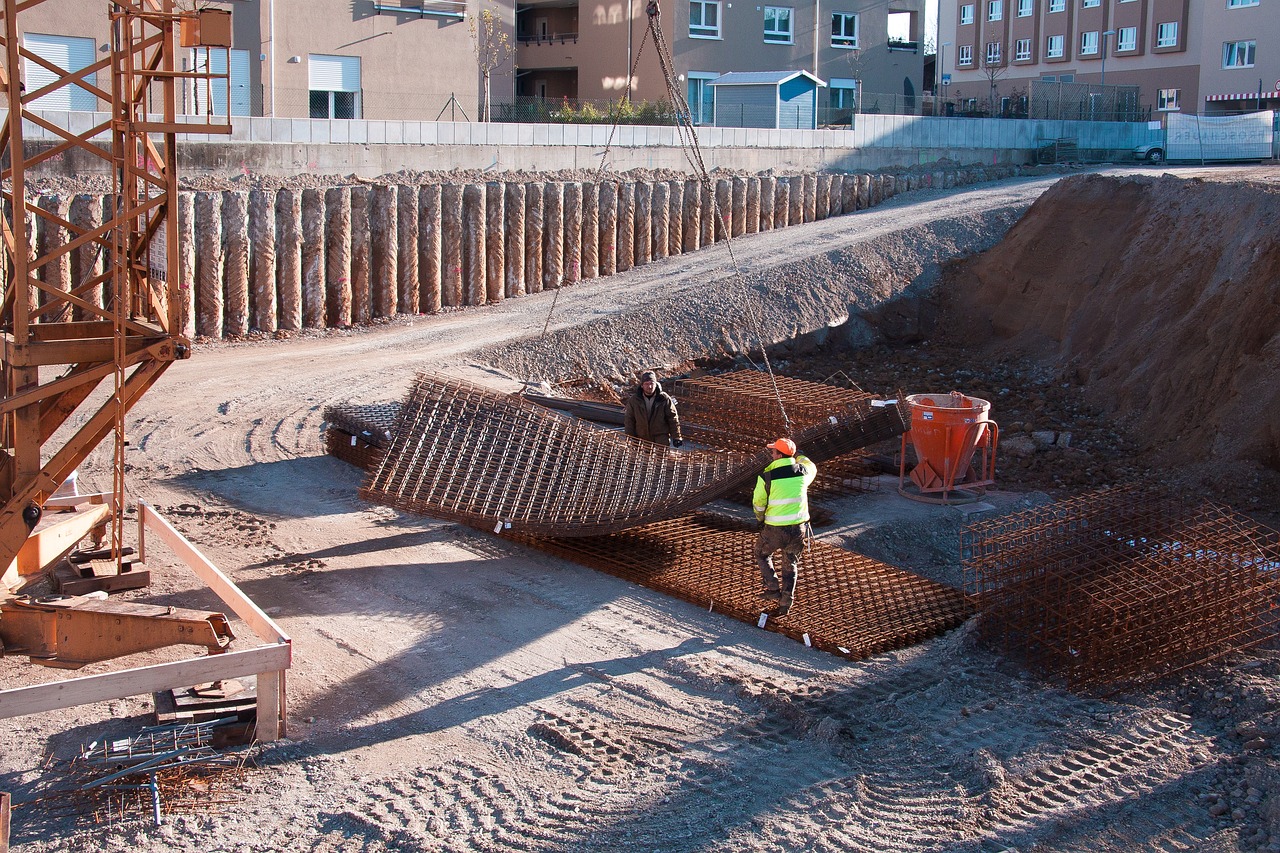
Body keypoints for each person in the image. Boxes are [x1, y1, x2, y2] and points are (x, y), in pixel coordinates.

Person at [753, 437, 817, 617]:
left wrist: (760, 519)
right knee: (791, 563)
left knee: (761, 553)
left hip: (774, 528)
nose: (771, 454)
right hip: (798, 528)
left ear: (779, 455)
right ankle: (786, 601)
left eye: (773, 451)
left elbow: (758, 502)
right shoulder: (803, 471)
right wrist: (799, 456)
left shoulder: (766, 475)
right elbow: (810, 465)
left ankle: (773, 588)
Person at [623, 370, 683, 448]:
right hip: (642, 437)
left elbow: (673, 418)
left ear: (656, 384)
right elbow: (629, 419)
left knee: (660, 459)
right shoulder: (635, 400)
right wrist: (629, 436)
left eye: (652, 383)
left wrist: (677, 436)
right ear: (642, 385)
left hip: (661, 437)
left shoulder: (664, 399)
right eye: (646, 384)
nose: (649, 386)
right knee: (643, 459)